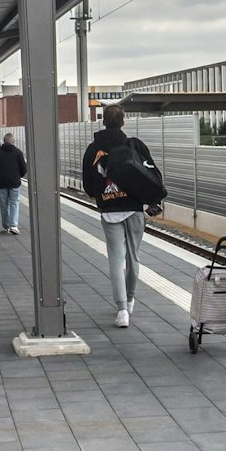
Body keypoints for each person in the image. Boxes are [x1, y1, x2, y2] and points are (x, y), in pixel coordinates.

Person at [83, 104, 156, 328]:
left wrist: (104, 194)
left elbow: (87, 185)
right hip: (134, 207)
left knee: (116, 259)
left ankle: (122, 310)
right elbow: (150, 174)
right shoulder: (134, 145)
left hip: (110, 209)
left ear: (103, 121)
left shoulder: (93, 148)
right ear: (123, 122)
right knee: (133, 256)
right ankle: (131, 299)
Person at [0, 133, 26, 234]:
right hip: (14, 182)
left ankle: (6, 225)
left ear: (3, 141)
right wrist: (18, 176)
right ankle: (13, 225)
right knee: (14, 203)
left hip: (1, 182)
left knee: (3, 205)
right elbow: (23, 168)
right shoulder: (18, 152)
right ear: (13, 141)